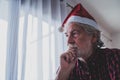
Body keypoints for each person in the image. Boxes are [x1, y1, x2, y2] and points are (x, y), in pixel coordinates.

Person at [55, 3, 120, 80]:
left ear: (94, 36)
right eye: (67, 35)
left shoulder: (115, 57)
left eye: (75, 33)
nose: (68, 41)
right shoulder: (67, 67)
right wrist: (63, 72)